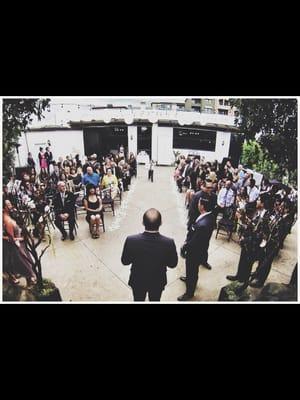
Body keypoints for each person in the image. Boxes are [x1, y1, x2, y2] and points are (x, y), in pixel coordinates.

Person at [121, 208, 178, 301]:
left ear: (143, 223)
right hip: (157, 281)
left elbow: (125, 261)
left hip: (138, 280)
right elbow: (173, 264)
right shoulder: (168, 243)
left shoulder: (131, 240)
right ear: (161, 223)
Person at [178, 196, 214, 301]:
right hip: (199, 249)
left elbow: (194, 242)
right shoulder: (209, 216)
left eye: (199, 203)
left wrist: (185, 246)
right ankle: (189, 279)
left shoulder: (203, 225)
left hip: (195, 252)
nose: (198, 204)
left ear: (202, 206)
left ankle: (189, 293)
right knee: (191, 271)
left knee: (192, 271)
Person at [3, 199, 37, 286]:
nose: (11, 206)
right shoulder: (7, 220)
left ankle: (26, 278)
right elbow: (12, 238)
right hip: (14, 243)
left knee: (22, 261)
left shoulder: (10, 215)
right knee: (22, 261)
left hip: (16, 240)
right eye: (8, 205)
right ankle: (28, 280)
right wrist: (21, 238)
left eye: (10, 204)